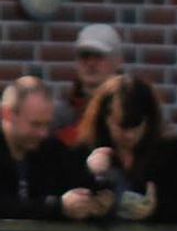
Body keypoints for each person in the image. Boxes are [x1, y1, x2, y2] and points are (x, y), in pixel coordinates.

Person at [78, 75, 177, 224]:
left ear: (149, 120)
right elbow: (68, 204)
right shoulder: (86, 151)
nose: (129, 135)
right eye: (121, 126)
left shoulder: (169, 155)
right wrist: (90, 179)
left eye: (136, 125)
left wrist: (157, 208)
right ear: (105, 119)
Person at [0, 76, 106, 221]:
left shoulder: (51, 150)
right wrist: (56, 207)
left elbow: (83, 185)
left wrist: (98, 196)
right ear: (7, 114)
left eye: (47, 124)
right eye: (35, 124)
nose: (43, 133)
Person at [53, 23, 125, 146]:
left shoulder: (131, 109)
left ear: (118, 61)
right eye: (84, 56)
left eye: (99, 56)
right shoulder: (60, 115)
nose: (91, 63)